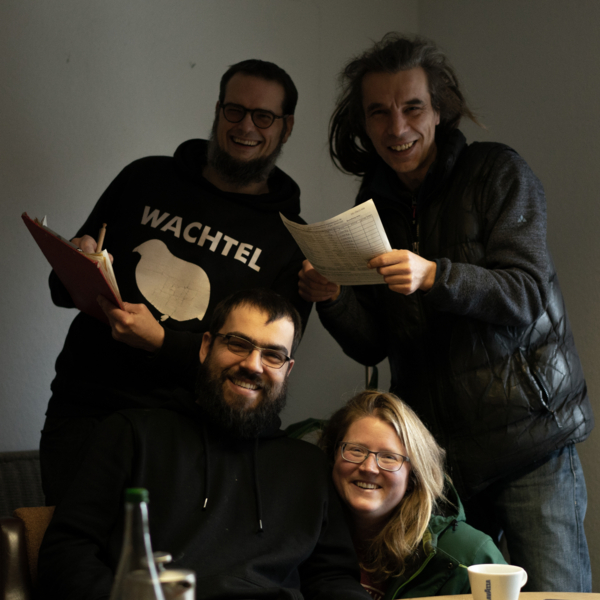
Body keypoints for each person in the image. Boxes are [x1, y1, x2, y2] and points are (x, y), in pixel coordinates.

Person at [298, 34, 593, 591]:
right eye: (379, 112)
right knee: (451, 595)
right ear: (363, 122)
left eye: (412, 108)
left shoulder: (496, 171)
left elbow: (528, 292)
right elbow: (372, 344)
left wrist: (436, 276)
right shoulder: (372, 204)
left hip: (530, 443)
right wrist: (333, 298)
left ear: (439, 110)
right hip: (441, 463)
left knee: (557, 594)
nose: (397, 127)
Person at [41, 59, 311, 506]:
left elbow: (268, 367)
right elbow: (61, 289)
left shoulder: (290, 239)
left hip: (191, 433)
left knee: (155, 551)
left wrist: (162, 342)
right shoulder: (145, 178)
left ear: (286, 127)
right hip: (86, 411)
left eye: (263, 116)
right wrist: (78, 260)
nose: (246, 126)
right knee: (71, 541)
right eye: (235, 110)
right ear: (218, 110)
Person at [37, 288, 368, 600]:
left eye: (272, 355)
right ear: (206, 346)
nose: (253, 365)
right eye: (238, 344)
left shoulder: (309, 467)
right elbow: (67, 553)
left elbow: (332, 578)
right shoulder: (132, 435)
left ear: (287, 369)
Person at [319, 390, 505, 600]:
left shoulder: (469, 554)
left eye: (389, 457)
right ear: (333, 456)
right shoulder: (304, 536)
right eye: (356, 450)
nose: (369, 467)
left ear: (413, 477)